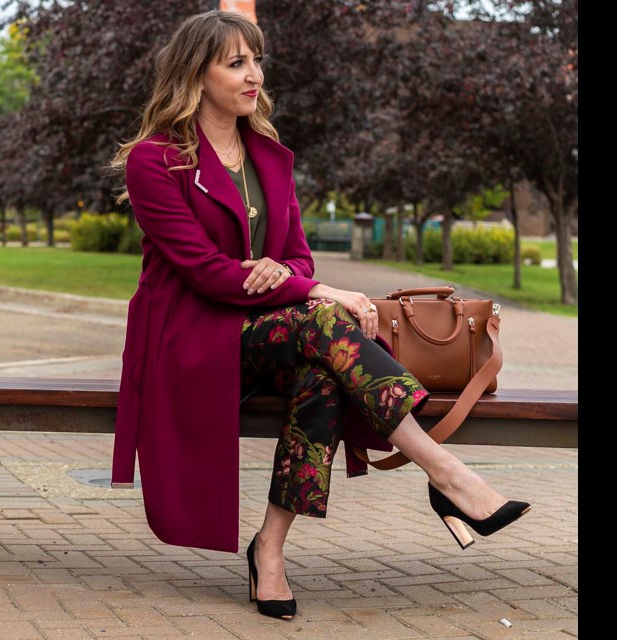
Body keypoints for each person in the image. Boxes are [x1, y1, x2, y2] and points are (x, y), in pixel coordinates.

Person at [109, 10, 531, 621]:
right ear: (195, 76)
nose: (254, 75)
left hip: (272, 332)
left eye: (256, 61)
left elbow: (297, 257)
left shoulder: (269, 157)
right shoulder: (154, 160)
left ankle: (270, 550)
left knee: (326, 373)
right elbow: (203, 271)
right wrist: (307, 288)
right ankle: (446, 473)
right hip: (193, 336)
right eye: (237, 63)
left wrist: (292, 279)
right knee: (325, 320)